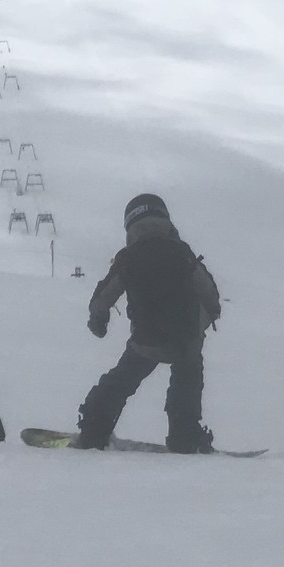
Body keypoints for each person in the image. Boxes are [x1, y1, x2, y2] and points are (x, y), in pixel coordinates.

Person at [74, 193, 220, 452]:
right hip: (185, 339)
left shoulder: (129, 257)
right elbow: (209, 291)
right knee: (187, 380)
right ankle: (184, 435)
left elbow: (103, 297)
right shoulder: (181, 252)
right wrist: (204, 321)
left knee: (120, 382)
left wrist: (99, 320)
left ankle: (94, 429)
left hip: (146, 340)